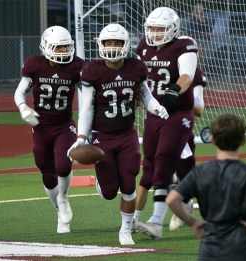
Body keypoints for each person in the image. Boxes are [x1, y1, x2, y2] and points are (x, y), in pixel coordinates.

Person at [67, 23, 169, 245]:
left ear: (125, 45)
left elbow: (146, 96)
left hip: (126, 135)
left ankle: (125, 229)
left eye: (117, 43)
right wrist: (82, 138)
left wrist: (157, 107)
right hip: (102, 136)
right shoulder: (92, 70)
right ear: (101, 45)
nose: (112, 47)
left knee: (130, 181)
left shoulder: (135, 67)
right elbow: (87, 108)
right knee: (109, 192)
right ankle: (103, 185)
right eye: (108, 43)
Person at [133, 7, 198, 239]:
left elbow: (187, 75)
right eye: (151, 28)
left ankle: (156, 221)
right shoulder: (143, 47)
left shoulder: (184, 45)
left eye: (160, 29)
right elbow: (139, 79)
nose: (155, 33)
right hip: (154, 114)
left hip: (177, 113)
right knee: (151, 164)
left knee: (164, 160)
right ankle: (189, 200)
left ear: (172, 29)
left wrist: (174, 91)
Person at [14, 26, 85, 234]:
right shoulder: (35, 65)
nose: (63, 52)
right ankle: (58, 209)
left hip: (64, 125)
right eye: (58, 47)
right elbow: (20, 92)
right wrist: (22, 107)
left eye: (66, 47)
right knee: (45, 170)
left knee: (63, 165)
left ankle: (63, 199)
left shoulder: (76, 66)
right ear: (46, 47)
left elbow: (88, 94)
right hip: (41, 125)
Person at [166, 114, 246, 261]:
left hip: (209, 246)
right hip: (240, 245)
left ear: (212, 140)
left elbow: (172, 200)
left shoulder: (199, 172)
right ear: (243, 140)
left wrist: (193, 223)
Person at [133, 67, 206, 231]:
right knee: (148, 177)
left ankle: (194, 208)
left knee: (187, 179)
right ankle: (135, 220)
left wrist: (177, 98)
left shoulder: (193, 74)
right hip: (155, 128)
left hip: (180, 132)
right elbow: (140, 101)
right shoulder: (151, 64)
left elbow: (199, 109)